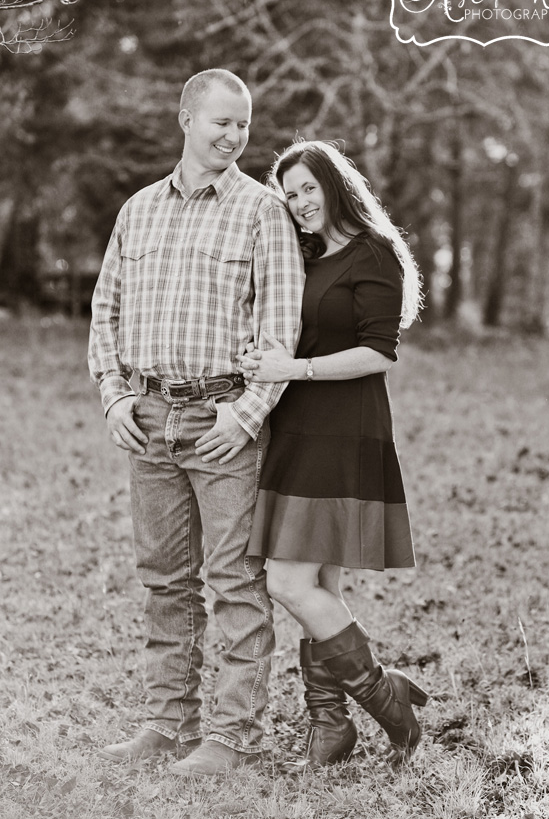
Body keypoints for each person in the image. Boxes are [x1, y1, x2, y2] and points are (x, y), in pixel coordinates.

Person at [88, 69, 305, 777]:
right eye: (221, 122)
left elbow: (282, 330)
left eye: (242, 124)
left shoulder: (262, 211)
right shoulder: (138, 211)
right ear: (186, 118)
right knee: (164, 581)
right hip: (147, 417)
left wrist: (244, 418)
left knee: (236, 580)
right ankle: (169, 724)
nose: (233, 135)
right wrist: (116, 396)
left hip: (223, 420)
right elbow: (105, 313)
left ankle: (233, 738)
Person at [238, 140, 428, 767]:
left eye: (307, 188)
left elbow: (378, 352)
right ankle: (329, 725)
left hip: (344, 426)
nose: (298, 204)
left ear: (335, 183)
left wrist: (293, 367)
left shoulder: (374, 253)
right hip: (295, 426)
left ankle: (385, 696)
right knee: (319, 581)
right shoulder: (305, 256)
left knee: (286, 580)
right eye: (289, 195)